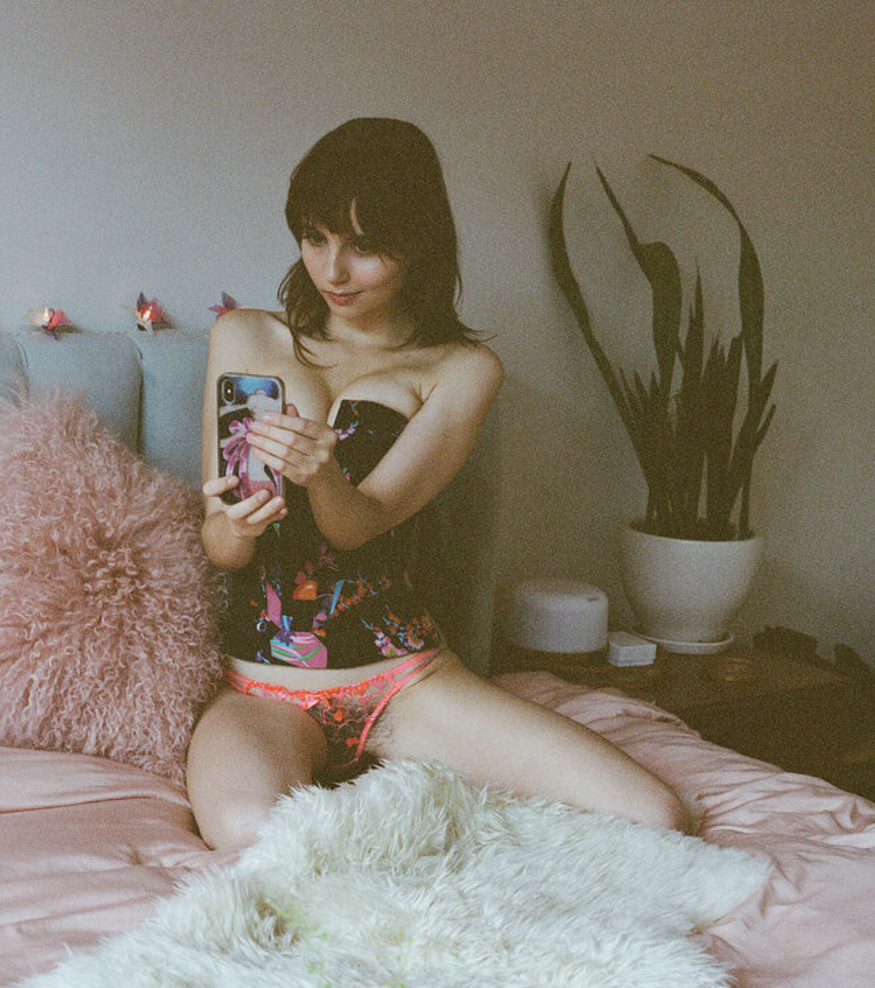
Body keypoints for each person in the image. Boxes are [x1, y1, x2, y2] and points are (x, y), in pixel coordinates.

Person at [187, 117, 690, 850]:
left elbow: (360, 524)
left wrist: (322, 473)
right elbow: (221, 550)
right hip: (261, 686)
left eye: (364, 247)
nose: (333, 271)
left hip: (403, 680)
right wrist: (236, 523)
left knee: (655, 814)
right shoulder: (244, 337)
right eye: (316, 237)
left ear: (418, 243)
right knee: (250, 836)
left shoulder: (461, 370)